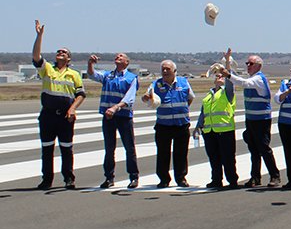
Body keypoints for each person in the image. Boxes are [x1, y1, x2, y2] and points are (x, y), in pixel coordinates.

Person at [31, 20, 86, 190]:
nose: (60, 53)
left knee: (66, 148)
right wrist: (39, 36)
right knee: (47, 148)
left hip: (65, 116)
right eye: (58, 51)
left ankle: (69, 178)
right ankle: (47, 179)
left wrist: (72, 109)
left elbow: (81, 94)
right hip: (47, 115)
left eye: (64, 52)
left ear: (68, 58)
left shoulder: (74, 74)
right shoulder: (48, 69)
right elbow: (36, 56)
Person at [224, 49, 281, 188]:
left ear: (258, 66)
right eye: (247, 63)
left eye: (251, 63)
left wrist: (228, 74)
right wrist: (227, 62)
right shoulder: (251, 78)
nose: (248, 65)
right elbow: (236, 78)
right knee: (253, 149)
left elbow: (243, 83)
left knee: (263, 148)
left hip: (261, 120)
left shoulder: (258, 79)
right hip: (251, 119)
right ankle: (255, 177)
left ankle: (275, 175)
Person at [87, 53, 139, 189]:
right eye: (117, 56)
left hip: (124, 116)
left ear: (127, 62)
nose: (118, 56)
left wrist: (116, 107)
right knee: (109, 148)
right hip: (108, 117)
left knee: (129, 147)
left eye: (122, 56)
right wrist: (90, 63)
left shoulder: (131, 78)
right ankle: (109, 177)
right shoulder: (107, 75)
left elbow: (130, 98)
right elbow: (92, 75)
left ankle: (134, 176)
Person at [142, 60, 195, 188]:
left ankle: (181, 178)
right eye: (163, 69)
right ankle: (164, 179)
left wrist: (181, 110)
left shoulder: (183, 82)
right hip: (163, 126)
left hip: (181, 125)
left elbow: (190, 98)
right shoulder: (156, 84)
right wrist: (145, 98)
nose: (165, 72)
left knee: (181, 153)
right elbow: (146, 98)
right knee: (163, 153)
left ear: (174, 71)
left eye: (168, 69)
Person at [192, 66, 239, 189]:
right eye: (217, 75)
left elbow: (230, 81)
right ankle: (216, 180)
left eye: (222, 76)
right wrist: (198, 127)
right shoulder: (208, 95)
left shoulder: (227, 92)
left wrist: (227, 65)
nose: (219, 76)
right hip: (209, 131)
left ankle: (232, 180)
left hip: (224, 130)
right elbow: (203, 113)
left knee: (228, 158)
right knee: (214, 158)